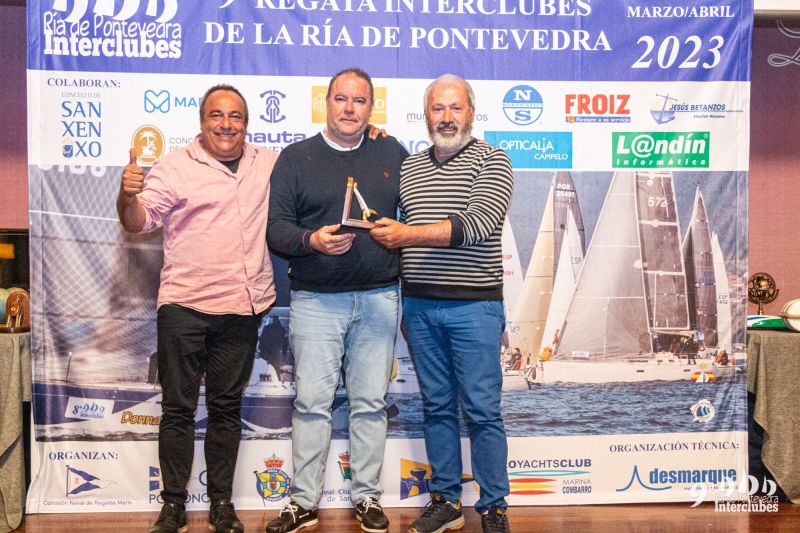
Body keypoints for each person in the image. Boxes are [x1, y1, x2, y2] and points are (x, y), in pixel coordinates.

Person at [117, 84, 277, 533]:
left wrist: (369, 135)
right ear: (202, 121)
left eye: (235, 116)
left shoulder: (268, 163)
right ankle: (173, 506)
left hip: (242, 307)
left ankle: (222, 504)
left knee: (226, 409)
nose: (226, 124)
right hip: (184, 307)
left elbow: (318, 168)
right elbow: (139, 221)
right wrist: (127, 196)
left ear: (246, 123)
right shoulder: (173, 166)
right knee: (177, 409)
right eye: (216, 115)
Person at [264, 68, 408, 533]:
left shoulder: (392, 152)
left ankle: (367, 497)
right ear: (326, 103)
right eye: (341, 99)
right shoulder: (295, 157)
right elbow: (276, 230)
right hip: (316, 301)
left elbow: (413, 218)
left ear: (372, 108)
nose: (350, 108)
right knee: (311, 404)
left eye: (360, 100)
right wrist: (311, 241)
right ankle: (303, 502)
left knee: (370, 403)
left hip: (379, 298)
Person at [371, 74, 514, 533]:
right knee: (436, 406)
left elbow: (477, 225)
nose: (447, 117)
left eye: (455, 107)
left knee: (482, 410)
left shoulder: (493, 160)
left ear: (471, 112)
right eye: (438, 108)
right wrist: (373, 137)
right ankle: (447, 501)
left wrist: (406, 235)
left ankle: (494, 506)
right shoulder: (410, 167)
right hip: (419, 307)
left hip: (474, 308)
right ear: (426, 115)